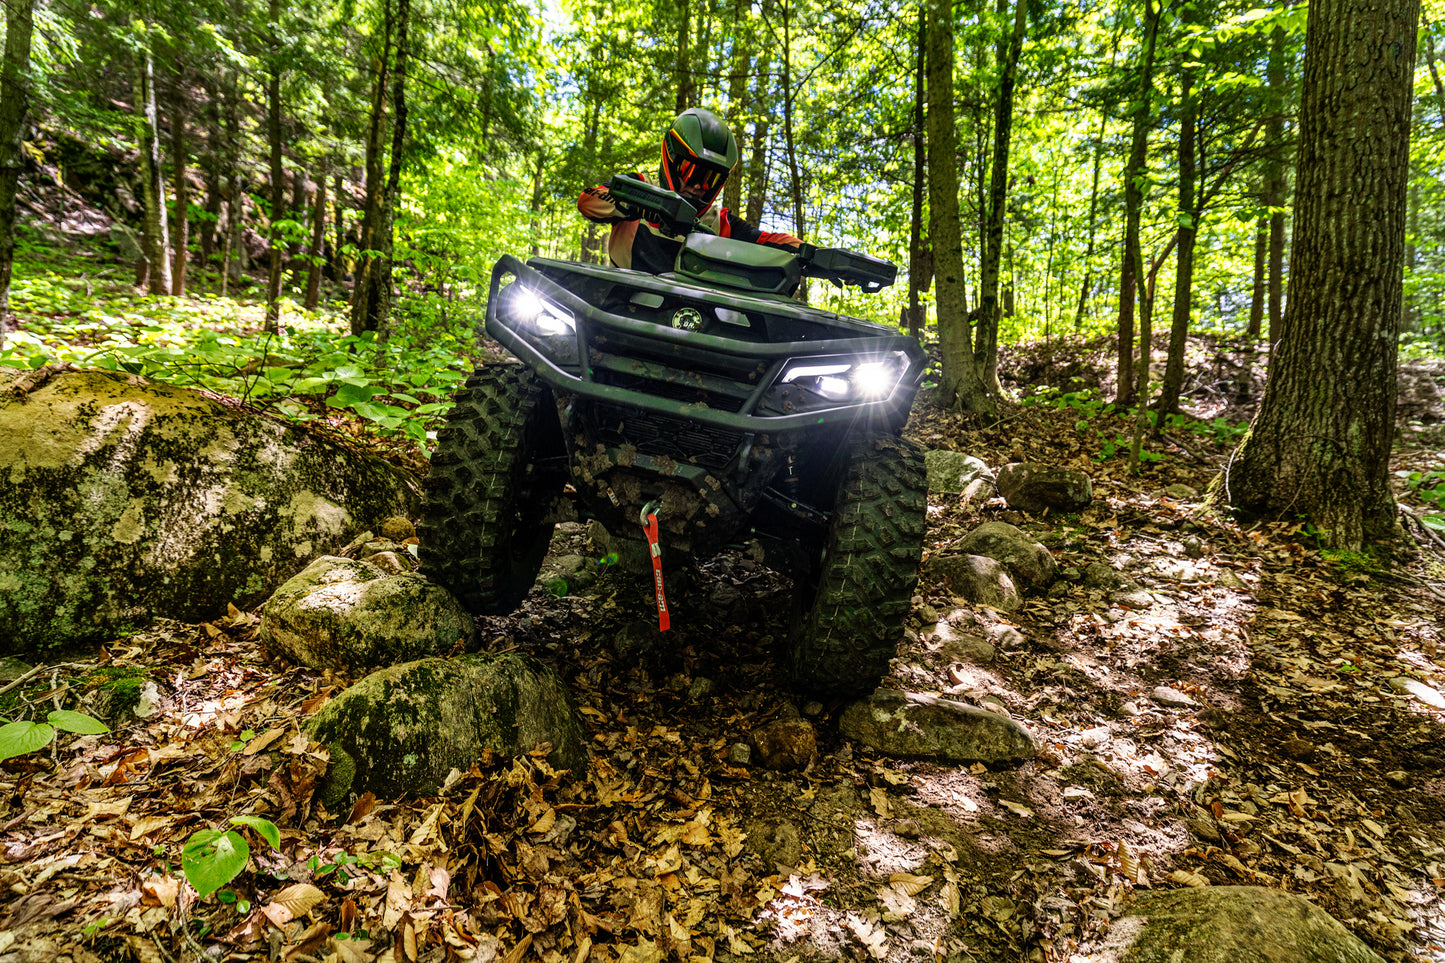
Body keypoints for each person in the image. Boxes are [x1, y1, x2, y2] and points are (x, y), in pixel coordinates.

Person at [578, 107, 803, 274]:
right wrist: (647, 206)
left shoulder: (717, 222)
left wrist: (814, 254)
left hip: (690, 320)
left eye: (710, 180)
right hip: (623, 304)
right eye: (693, 173)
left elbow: (766, 239)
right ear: (671, 160)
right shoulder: (640, 185)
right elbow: (587, 200)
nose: (699, 186)